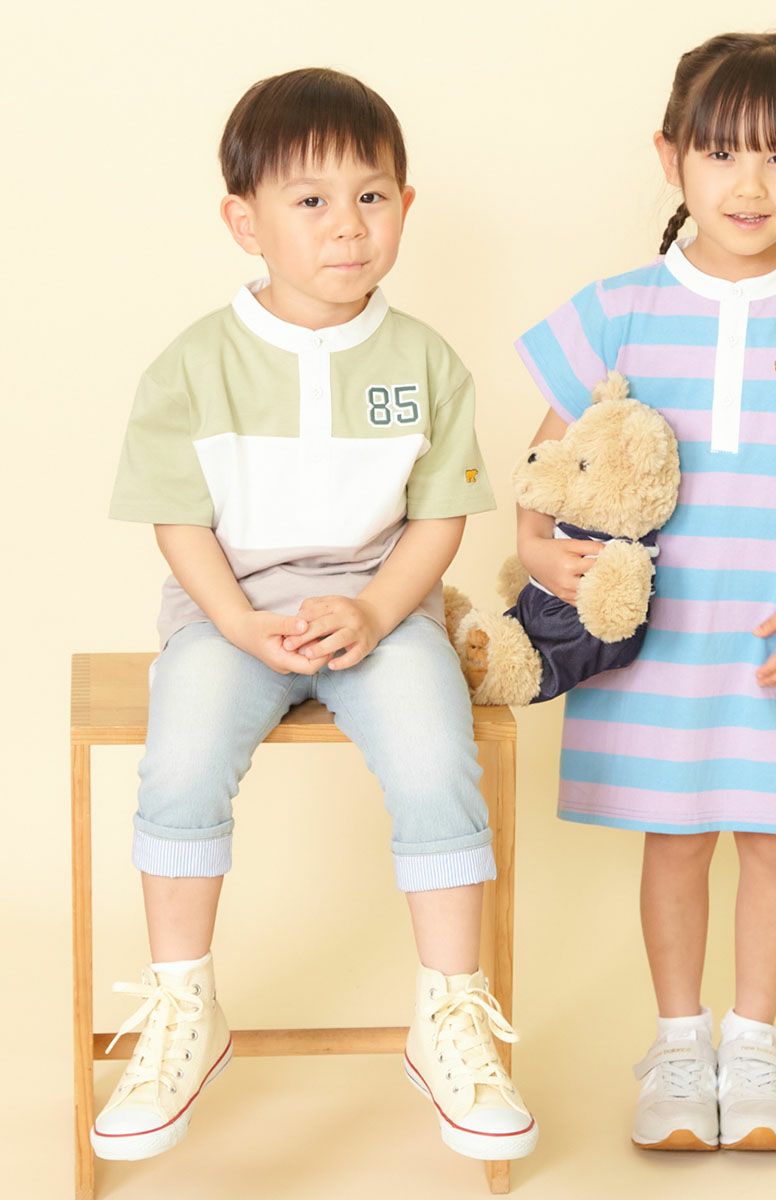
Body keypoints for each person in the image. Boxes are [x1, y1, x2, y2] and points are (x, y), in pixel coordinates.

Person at [93, 67, 537, 1165]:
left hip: (382, 615)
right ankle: (184, 1004)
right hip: (229, 614)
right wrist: (240, 625)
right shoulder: (193, 364)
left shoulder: (425, 361)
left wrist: (381, 609)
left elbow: (439, 518)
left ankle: (449, 1014)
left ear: (405, 207)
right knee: (183, 752)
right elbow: (178, 522)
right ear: (244, 222)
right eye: (311, 200)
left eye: (372, 196)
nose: (348, 225)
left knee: (437, 758)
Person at [514, 31, 776, 1152]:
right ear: (670, 159)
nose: (749, 184)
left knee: (775, 836)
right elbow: (550, 459)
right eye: (719, 153)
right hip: (658, 638)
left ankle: (753, 1048)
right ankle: (676, 1044)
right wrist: (536, 548)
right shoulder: (617, 308)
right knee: (673, 838)